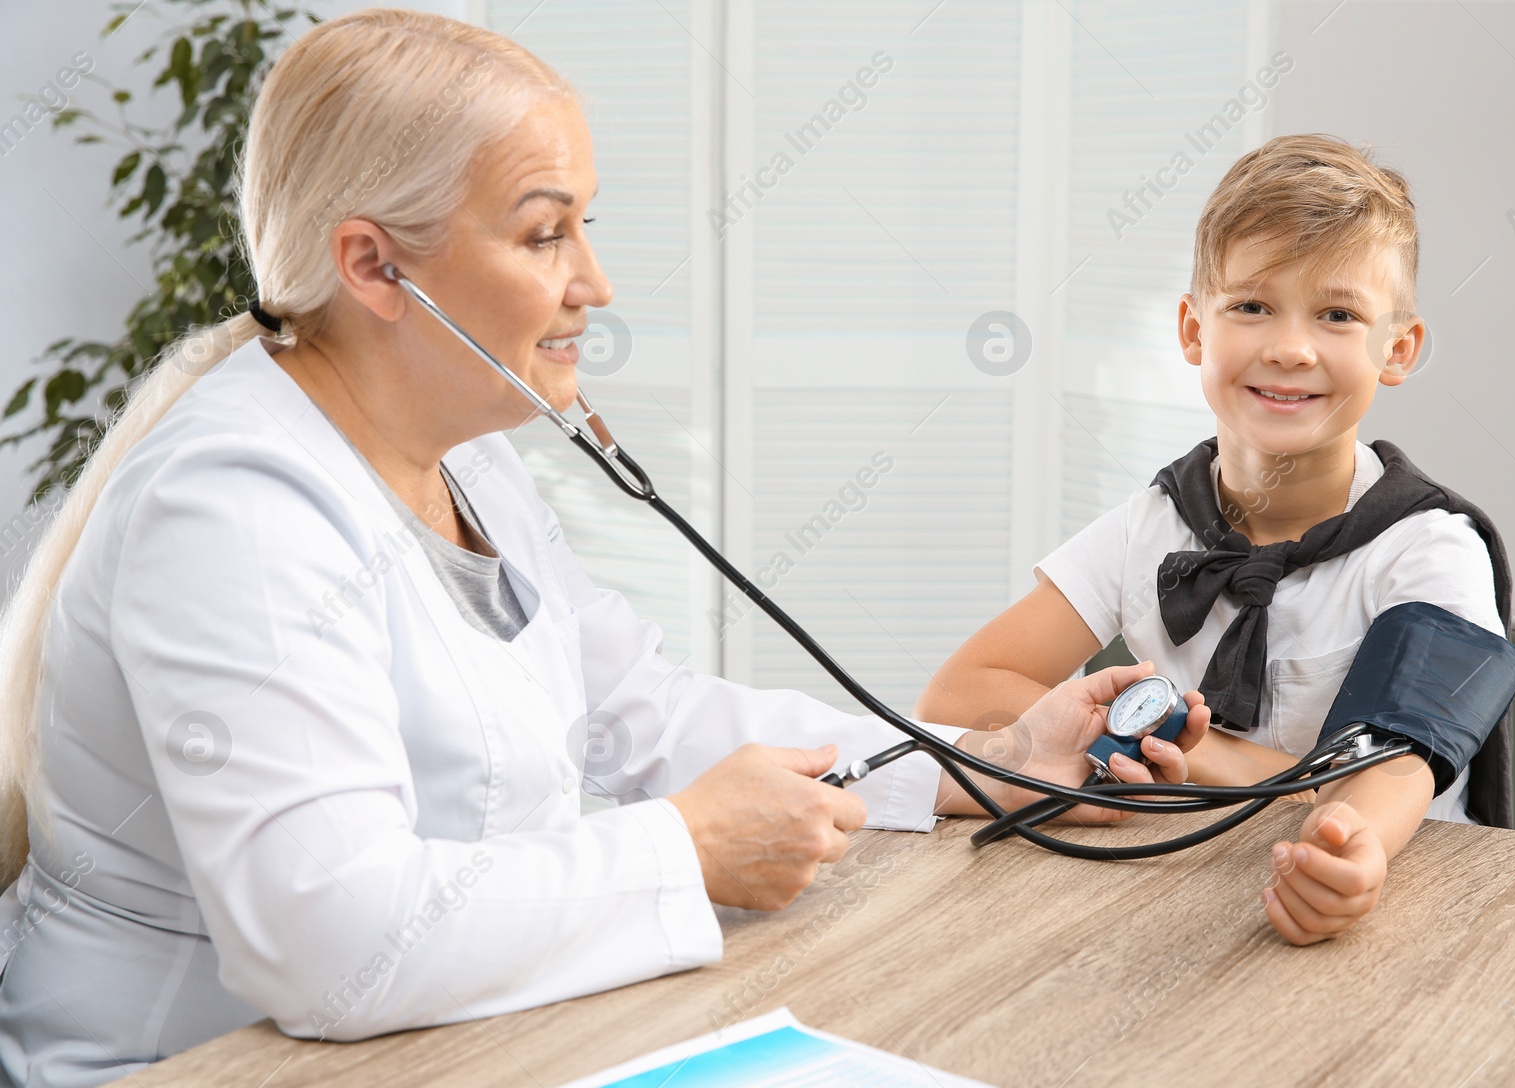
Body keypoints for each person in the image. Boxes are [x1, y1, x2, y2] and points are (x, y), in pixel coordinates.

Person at [0, 11, 1210, 1085]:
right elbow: (329, 937)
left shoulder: (467, 457)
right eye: (542, 235)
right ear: (373, 265)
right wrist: (682, 846)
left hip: (455, 1040)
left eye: (586, 226)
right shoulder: (231, 513)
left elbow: (645, 713)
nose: (596, 280)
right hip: (188, 1063)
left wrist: (981, 760)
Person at [918, 134, 1513, 947]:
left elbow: (1392, 767)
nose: (1291, 347)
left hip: (1389, 914)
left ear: (1397, 349)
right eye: (1252, 305)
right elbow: (962, 693)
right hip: (1167, 897)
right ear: (1194, 330)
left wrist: (1327, 830)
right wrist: (1222, 770)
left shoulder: (1429, 548)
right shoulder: (1150, 523)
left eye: (1338, 315)